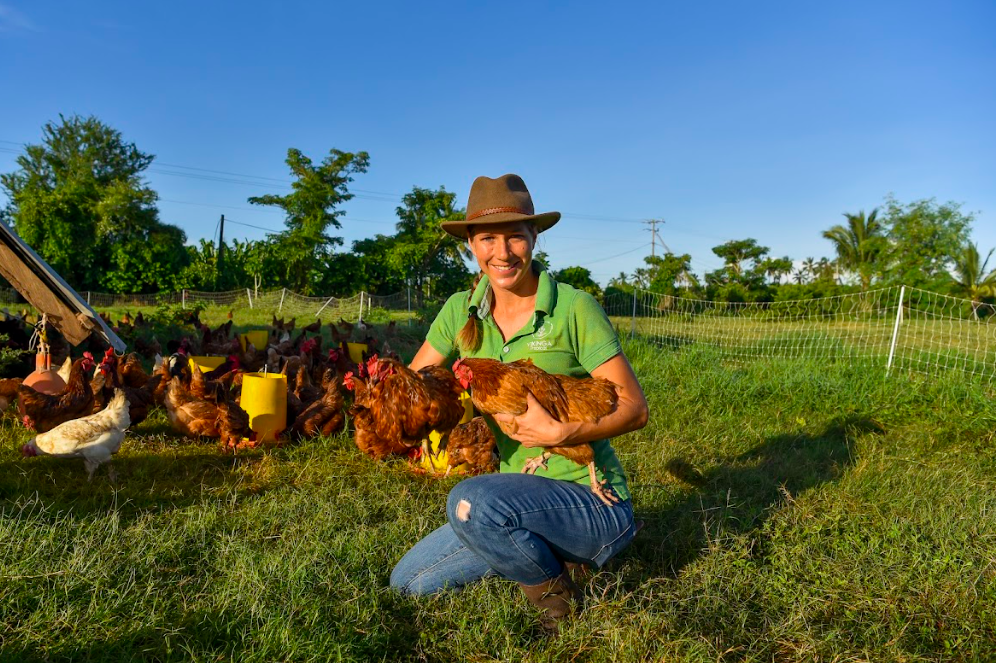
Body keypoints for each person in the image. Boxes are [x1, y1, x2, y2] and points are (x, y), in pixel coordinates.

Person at [390, 174, 649, 630]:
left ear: (535, 236)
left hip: (593, 500)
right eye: (488, 237)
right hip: (512, 499)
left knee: (467, 499)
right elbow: (414, 386)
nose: (503, 252)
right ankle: (534, 550)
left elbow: (635, 408)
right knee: (410, 581)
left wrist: (561, 432)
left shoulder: (573, 307)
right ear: (471, 244)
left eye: (515, 237)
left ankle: (558, 605)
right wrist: (383, 399)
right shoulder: (459, 310)